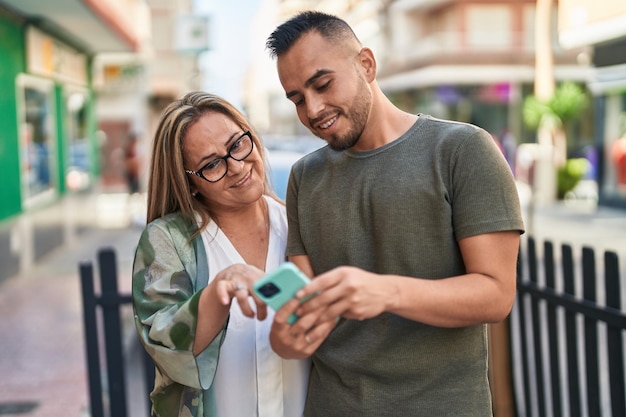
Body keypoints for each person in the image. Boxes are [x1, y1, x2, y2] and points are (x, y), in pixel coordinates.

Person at [265, 11, 525, 417]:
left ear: (366, 64)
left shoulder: (463, 149)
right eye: (297, 98)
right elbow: (305, 315)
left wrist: (384, 291)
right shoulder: (304, 176)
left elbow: (496, 295)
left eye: (322, 84)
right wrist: (285, 336)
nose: (312, 109)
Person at [131, 91, 309, 417]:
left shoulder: (298, 224)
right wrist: (219, 291)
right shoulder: (168, 240)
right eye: (212, 164)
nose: (237, 166)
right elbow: (162, 344)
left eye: (238, 144)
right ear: (191, 183)